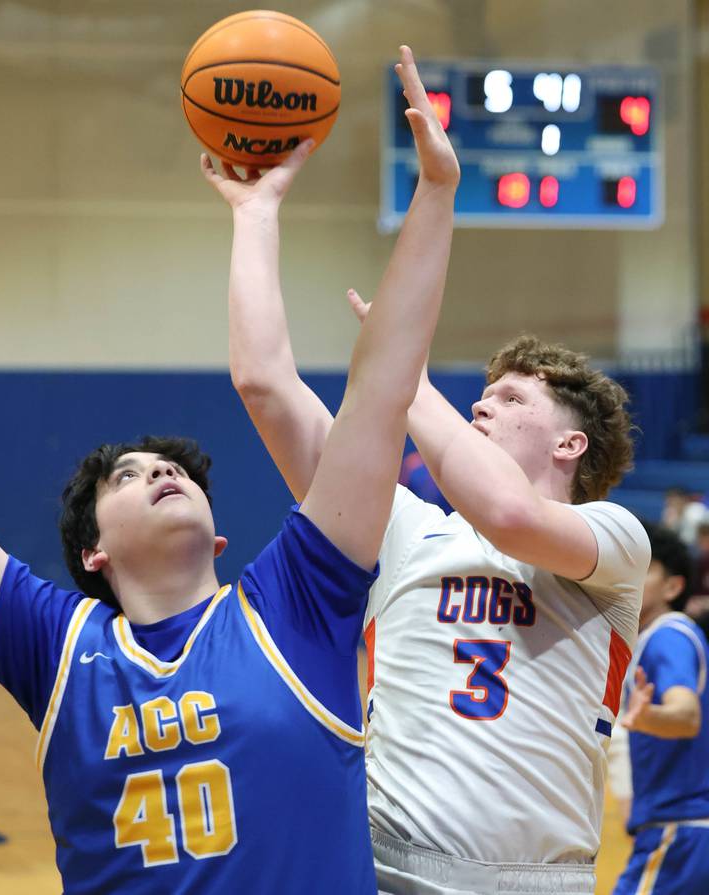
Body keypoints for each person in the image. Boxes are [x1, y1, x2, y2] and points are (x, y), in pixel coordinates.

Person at [0, 46, 458, 895]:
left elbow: (379, 391)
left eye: (173, 468)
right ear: (94, 552)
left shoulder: (296, 605)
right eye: (127, 476)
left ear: (220, 531)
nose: (160, 471)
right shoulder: (53, 645)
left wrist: (433, 197)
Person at [220, 71, 650, 895]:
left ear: (571, 440)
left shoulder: (613, 541)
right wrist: (255, 218)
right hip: (378, 867)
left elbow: (507, 511)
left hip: (533, 880)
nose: (482, 403)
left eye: (511, 396)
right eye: (482, 391)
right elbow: (266, 385)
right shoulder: (401, 528)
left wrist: (400, 373)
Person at [610, 522, 709, 894]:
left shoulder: (669, 634)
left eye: (645, 568)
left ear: (674, 587)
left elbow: (686, 716)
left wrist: (647, 717)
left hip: (680, 833)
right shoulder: (650, 641)